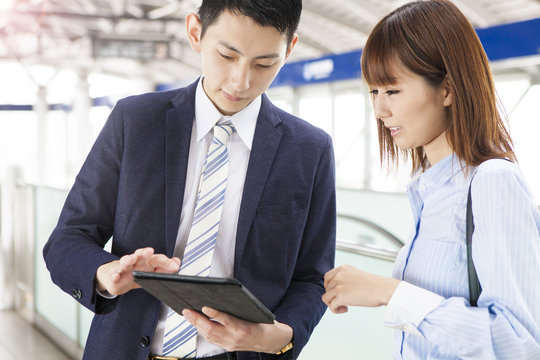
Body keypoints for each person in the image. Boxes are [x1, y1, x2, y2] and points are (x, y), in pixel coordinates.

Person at [43, 1, 336, 359]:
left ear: (289, 49)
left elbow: (312, 276)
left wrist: (279, 336)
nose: (241, 80)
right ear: (195, 32)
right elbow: (68, 239)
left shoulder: (309, 149)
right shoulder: (134, 121)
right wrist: (105, 273)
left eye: (265, 63)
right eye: (227, 55)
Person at [322, 0, 540, 359]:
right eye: (374, 92)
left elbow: (518, 343)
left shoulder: (492, 183)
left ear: (448, 89)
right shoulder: (431, 190)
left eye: (392, 91)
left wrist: (389, 293)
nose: (379, 110)